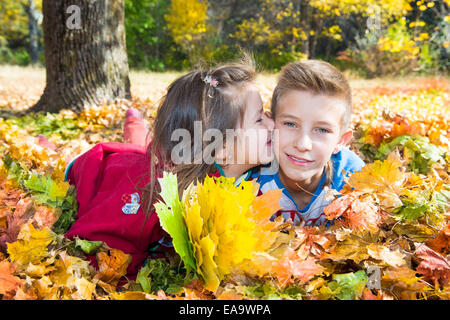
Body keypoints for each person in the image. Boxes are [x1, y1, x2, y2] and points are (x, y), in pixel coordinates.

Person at [63, 56, 275, 278]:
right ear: (221, 147)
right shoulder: (148, 196)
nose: (272, 123)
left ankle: (135, 122)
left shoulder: (249, 174)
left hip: (157, 156)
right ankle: (131, 123)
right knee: (135, 150)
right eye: (259, 119)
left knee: (141, 145)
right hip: (99, 168)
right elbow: (98, 249)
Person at [252, 60, 365, 227]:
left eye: (322, 130)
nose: (303, 144)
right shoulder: (252, 178)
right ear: (271, 125)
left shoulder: (354, 180)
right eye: (290, 124)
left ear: (340, 141)